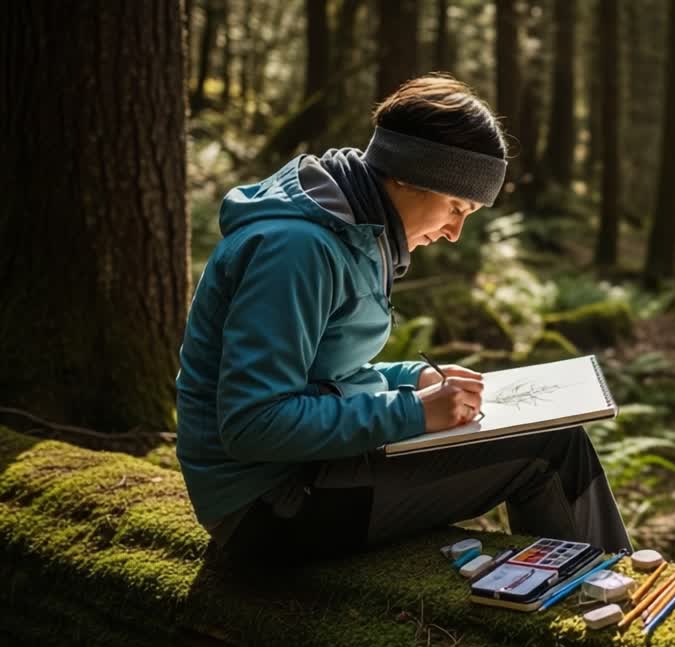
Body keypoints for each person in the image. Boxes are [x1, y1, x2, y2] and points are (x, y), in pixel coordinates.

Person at [176, 75, 632, 566]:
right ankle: (602, 597)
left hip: (303, 475)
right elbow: (253, 423)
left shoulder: (355, 230)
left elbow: (325, 377)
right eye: (456, 206)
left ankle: (594, 583)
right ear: (408, 174)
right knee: (551, 447)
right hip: (267, 508)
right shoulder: (298, 249)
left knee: (553, 433)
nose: (456, 232)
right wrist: (413, 412)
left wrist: (407, 378)